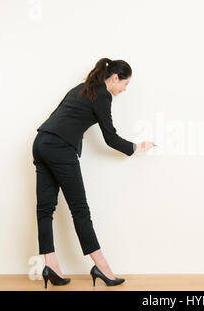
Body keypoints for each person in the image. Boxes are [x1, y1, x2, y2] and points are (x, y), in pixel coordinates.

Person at [31, 57, 154, 287]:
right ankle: (103, 267)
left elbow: (56, 115)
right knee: (80, 209)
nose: (125, 89)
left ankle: (51, 265)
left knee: (45, 209)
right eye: (125, 84)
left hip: (41, 142)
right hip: (59, 148)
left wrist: (40, 150)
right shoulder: (102, 95)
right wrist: (137, 148)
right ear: (115, 78)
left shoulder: (82, 88)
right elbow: (110, 137)